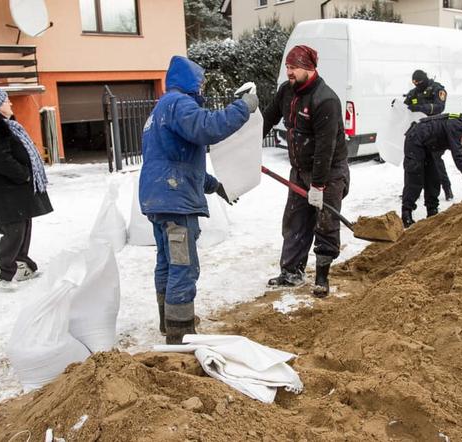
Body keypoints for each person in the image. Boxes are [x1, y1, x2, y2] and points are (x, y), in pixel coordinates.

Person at [139, 55, 258, 344]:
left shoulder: (161, 110)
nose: (203, 87)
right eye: (201, 82)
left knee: (167, 262)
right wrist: (243, 107)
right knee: (183, 265)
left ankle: (169, 321)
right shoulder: (179, 103)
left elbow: (176, 161)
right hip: (175, 201)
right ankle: (180, 333)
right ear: (189, 81)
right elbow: (208, 127)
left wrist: (215, 186)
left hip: (159, 198)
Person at [262, 45, 349, 299]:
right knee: (294, 221)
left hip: (328, 172)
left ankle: (322, 276)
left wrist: (319, 186)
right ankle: (291, 272)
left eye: (294, 67)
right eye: (287, 67)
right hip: (299, 169)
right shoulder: (286, 92)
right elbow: (268, 118)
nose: (289, 72)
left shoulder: (326, 99)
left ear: (309, 69)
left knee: (325, 224)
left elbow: (326, 147)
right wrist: (247, 143)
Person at [0, 88, 53, 290]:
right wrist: (24, 173)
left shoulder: (6, 124)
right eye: (6, 101)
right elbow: (1, 159)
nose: (10, 104)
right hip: (2, 189)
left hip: (14, 187)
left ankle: (22, 265)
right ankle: (3, 271)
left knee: (24, 223)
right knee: (14, 229)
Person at [401, 112, 462, 228]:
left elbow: (459, 154)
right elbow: (458, 156)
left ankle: (432, 211)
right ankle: (406, 214)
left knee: (434, 178)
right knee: (415, 177)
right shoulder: (458, 126)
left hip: (429, 146)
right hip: (416, 140)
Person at [404, 69, 453, 200]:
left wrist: (421, 108)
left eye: (419, 82)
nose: (417, 85)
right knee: (414, 162)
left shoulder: (437, 89)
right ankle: (411, 191)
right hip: (419, 132)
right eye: (414, 83)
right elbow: (405, 106)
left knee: (436, 161)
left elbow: (439, 107)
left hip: (435, 131)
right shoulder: (414, 93)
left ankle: (447, 188)